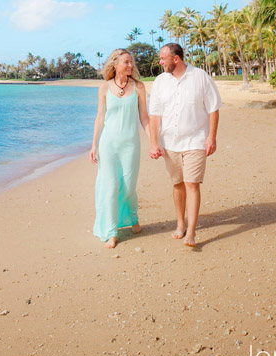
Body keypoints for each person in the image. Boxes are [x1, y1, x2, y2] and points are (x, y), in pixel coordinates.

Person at [148, 43, 221, 249]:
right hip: (170, 142)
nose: (160, 62)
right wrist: (154, 142)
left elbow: (213, 108)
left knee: (192, 184)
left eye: (163, 59)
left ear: (176, 59)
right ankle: (180, 224)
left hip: (196, 140)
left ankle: (191, 231)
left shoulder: (200, 77)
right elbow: (155, 114)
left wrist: (211, 137)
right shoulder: (160, 82)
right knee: (178, 184)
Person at [89, 48, 150, 248]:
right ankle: (111, 230)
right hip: (108, 144)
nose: (130, 65)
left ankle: (132, 218)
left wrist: (153, 141)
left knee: (129, 186)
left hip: (131, 144)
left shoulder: (139, 87)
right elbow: (100, 118)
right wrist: (94, 145)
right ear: (115, 65)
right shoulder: (105, 88)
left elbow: (144, 118)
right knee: (110, 187)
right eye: (126, 62)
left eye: (131, 62)